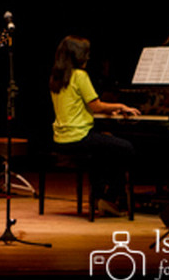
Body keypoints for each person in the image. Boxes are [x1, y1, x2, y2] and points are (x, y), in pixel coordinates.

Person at [49, 35, 139, 215]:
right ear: (77, 55)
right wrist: (121, 106)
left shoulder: (57, 77)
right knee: (126, 148)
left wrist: (107, 110)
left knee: (106, 146)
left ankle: (100, 196)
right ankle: (109, 197)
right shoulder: (80, 75)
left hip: (61, 137)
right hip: (80, 136)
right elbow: (95, 104)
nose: (88, 57)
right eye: (85, 53)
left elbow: (78, 106)